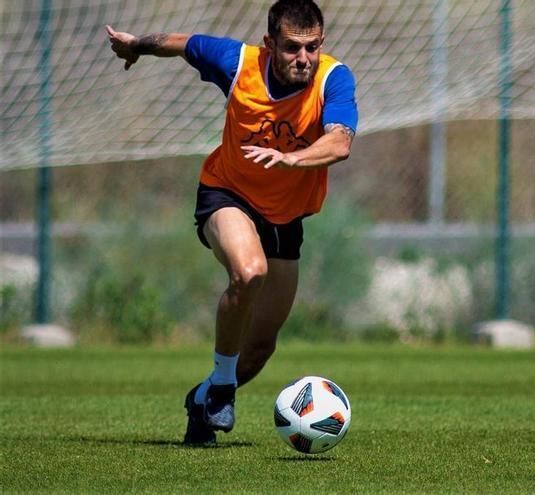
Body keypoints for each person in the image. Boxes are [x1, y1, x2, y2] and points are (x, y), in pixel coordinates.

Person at [106, 0, 358, 446]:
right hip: (227, 194)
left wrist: (293, 159)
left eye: (312, 47)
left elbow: (339, 141)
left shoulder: (333, 78)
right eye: (292, 48)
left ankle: (204, 397)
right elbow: (184, 45)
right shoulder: (238, 62)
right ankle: (222, 386)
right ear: (269, 44)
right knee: (249, 271)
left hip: (285, 218)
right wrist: (137, 46)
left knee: (260, 348)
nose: (303, 58)